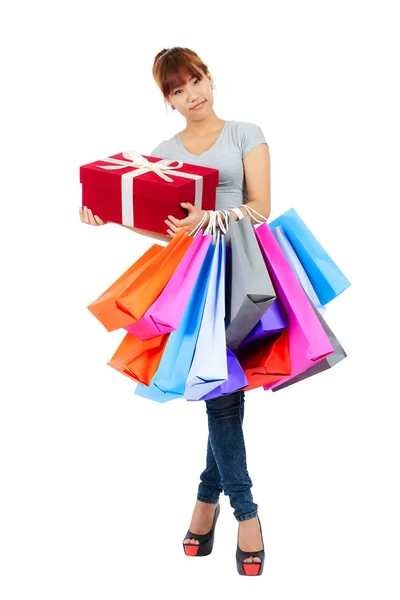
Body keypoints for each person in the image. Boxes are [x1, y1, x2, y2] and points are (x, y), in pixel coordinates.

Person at [79, 46, 271, 576]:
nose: (193, 95)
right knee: (221, 388)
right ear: (168, 100)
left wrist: (208, 215)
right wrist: (109, 218)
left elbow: (261, 208)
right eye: (179, 90)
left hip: (243, 266)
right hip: (194, 279)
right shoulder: (165, 151)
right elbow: (162, 226)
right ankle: (231, 508)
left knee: (223, 391)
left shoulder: (244, 133)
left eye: (197, 80)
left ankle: (224, 507)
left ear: (210, 77)